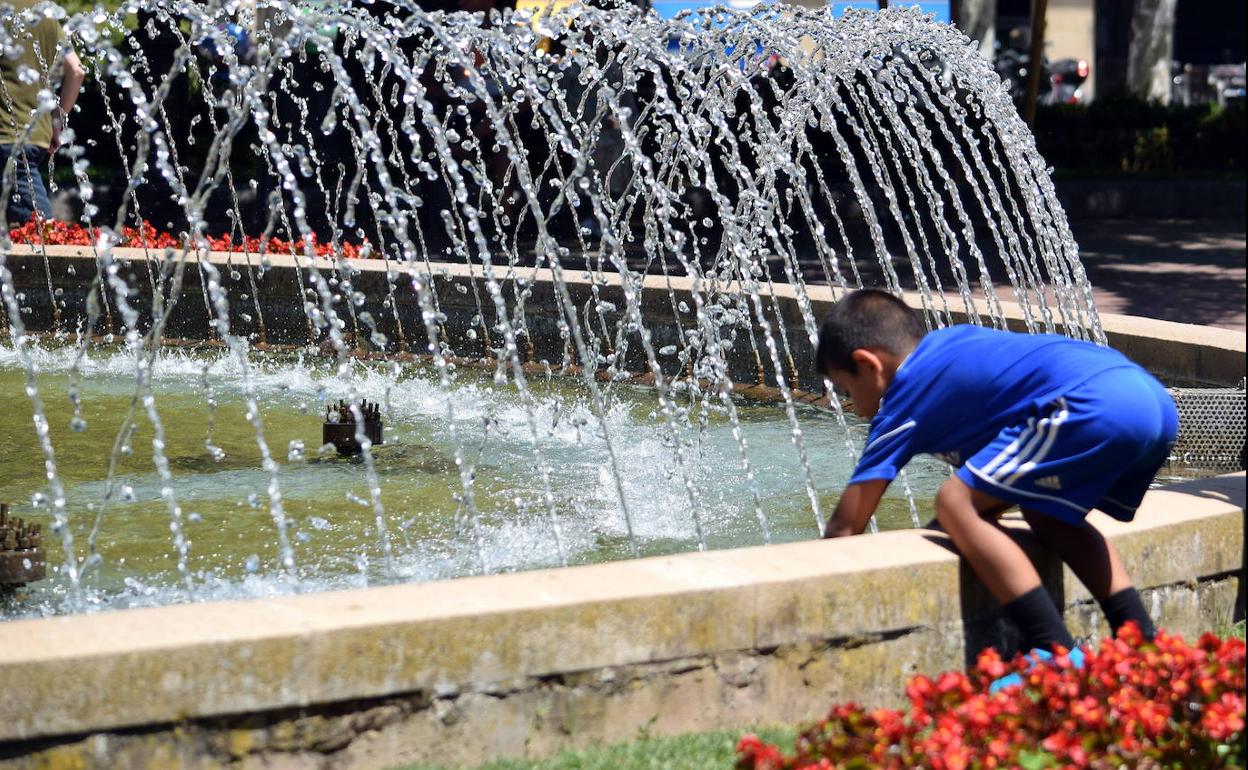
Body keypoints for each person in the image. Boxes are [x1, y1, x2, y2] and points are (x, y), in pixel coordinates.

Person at [817, 289, 1175, 665]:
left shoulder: (905, 394)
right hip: (1150, 402)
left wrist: (812, 581)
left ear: (869, 364)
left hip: (1091, 405)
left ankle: (1053, 651)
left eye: (846, 389)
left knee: (954, 502)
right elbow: (993, 483)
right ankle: (1140, 641)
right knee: (1047, 516)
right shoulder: (951, 347)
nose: (853, 408)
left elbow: (846, 526)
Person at [0, 0, 86, 225]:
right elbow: (76, 71)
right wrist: (57, 120)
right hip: (36, 135)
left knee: (42, 236)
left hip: (7, 135)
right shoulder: (47, 14)